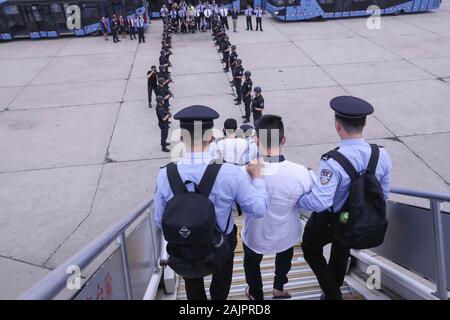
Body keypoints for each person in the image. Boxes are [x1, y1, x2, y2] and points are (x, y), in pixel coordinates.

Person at [154, 105, 268, 300]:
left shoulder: (166, 174)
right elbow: (258, 209)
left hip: (185, 241)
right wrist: (257, 178)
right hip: (221, 242)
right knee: (221, 283)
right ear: (212, 138)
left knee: (193, 286)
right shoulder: (230, 173)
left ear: (181, 138)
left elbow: (158, 220)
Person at [297, 96, 392, 300]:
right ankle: (334, 286)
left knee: (310, 248)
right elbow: (383, 195)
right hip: (358, 219)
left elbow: (321, 202)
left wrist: (297, 200)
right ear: (365, 123)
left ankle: (332, 293)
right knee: (341, 250)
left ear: (337, 126)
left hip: (331, 219)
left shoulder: (332, 161)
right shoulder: (382, 154)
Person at [242, 115, 314, 300]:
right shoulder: (301, 172)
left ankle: (256, 294)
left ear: (256, 140)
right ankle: (278, 288)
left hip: (255, 233)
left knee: (251, 263)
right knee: (284, 257)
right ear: (283, 140)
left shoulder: (244, 172)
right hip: (286, 232)